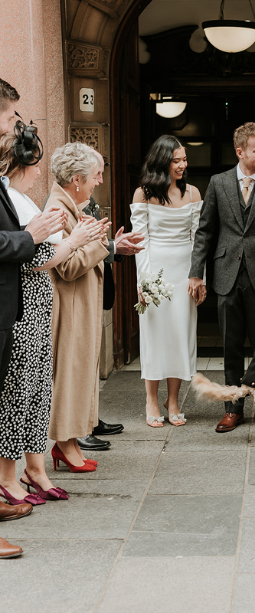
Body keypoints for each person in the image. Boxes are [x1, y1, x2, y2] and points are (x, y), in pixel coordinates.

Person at [0, 127, 106, 505]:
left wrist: (81, 242)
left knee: (38, 394)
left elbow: (41, 257)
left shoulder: (23, 200)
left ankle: (37, 467)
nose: (40, 172)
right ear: (19, 165)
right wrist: (78, 242)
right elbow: (35, 260)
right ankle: (9, 476)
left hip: (38, 304)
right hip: (23, 306)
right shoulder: (15, 201)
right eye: (34, 164)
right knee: (19, 393)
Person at [189, 122, 255, 433]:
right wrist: (197, 273)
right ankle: (233, 408)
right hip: (227, 275)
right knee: (231, 345)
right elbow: (205, 232)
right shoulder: (218, 183)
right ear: (240, 152)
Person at [0, 79, 68, 559]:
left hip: (19, 307)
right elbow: (20, 249)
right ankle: (15, 477)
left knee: (30, 397)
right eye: (9, 117)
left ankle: (30, 470)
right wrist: (32, 235)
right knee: (14, 402)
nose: (14, 126)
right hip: (14, 307)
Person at [46, 142, 112, 473]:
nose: (99, 181)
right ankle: (63, 444)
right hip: (70, 307)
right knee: (70, 375)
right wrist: (99, 244)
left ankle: (70, 443)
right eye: (94, 176)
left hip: (79, 302)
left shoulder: (72, 205)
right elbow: (67, 267)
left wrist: (103, 242)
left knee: (79, 373)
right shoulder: (57, 209)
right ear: (76, 179)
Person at [131, 135, 202, 427]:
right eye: (177, 160)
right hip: (155, 269)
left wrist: (200, 277)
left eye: (184, 159)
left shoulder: (194, 193)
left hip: (185, 269)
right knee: (154, 334)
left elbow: (199, 239)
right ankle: (151, 398)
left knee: (180, 334)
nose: (183, 165)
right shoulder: (143, 194)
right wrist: (144, 282)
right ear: (163, 162)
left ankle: (173, 400)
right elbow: (140, 240)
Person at [78, 149, 143, 453]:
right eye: (98, 173)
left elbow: (95, 245)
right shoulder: (67, 206)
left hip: (96, 289)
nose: (102, 179)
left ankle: (90, 419)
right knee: (77, 365)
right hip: (78, 294)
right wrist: (113, 245)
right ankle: (78, 428)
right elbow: (73, 253)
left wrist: (113, 247)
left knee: (91, 363)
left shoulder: (88, 202)